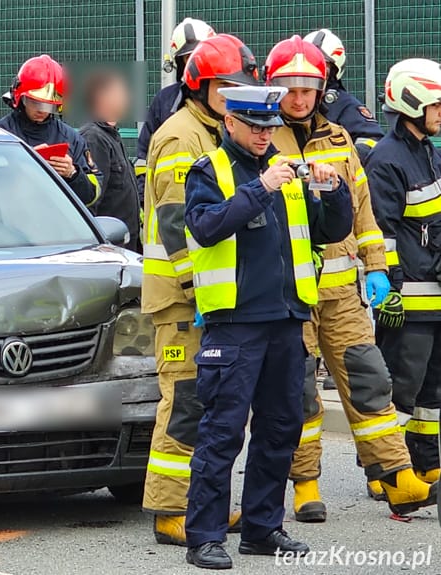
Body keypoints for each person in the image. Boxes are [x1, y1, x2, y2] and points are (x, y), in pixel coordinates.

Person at [266, 36, 439, 523]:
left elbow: (365, 215)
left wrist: (379, 269)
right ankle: (305, 484)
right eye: (289, 89)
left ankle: (396, 475)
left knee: (370, 381)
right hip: (289, 295)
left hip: (342, 293)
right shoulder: (260, 138)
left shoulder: (340, 140)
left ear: (323, 89)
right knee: (298, 393)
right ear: (272, 88)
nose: (299, 100)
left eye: (309, 90)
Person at [183, 84, 354, 569]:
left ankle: (261, 528)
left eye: (270, 127)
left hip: (285, 319)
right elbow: (205, 227)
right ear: (230, 123)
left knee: (281, 428)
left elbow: (329, 232)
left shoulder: (286, 171)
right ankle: (206, 537)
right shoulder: (210, 170)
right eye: (255, 127)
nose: (264, 136)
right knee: (222, 432)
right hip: (235, 323)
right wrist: (262, 187)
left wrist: (334, 189)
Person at [141, 34, 258, 547]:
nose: (233, 92)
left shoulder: (212, 131)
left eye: (239, 84)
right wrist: (198, 292)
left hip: (206, 295)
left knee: (204, 401)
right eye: (224, 85)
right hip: (182, 297)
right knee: (185, 399)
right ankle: (171, 511)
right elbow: (173, 225)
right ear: (201, 86)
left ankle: (191, 503)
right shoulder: (181, 137)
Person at [365, 58, 441, 492]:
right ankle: (386, 472)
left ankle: (425, 465)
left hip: (434, 298)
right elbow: (383, 231)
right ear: (414, 101)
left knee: (431, 395)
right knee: (398, 393)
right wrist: (388, 289)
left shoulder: (427, 152)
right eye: (437, 104)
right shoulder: (388, 160)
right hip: (407, 301)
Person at [0, 54, 101, 206]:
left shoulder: (71, 138)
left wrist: (72, 173)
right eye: (36, 103)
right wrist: (24, 164)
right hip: (13, 222)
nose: (42, 111)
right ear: (20, 98)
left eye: (49, 106)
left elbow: (92, 196)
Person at [135, 18, 216, 207]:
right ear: (180, 62)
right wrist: (143, 200)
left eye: (202, 55)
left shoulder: (224, 99)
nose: (197, 63)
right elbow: (143, 157)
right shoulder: (165, 100)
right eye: (190, 57)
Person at [80, 68, 141, 251]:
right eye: (120, 92)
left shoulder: (111, 136)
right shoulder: (94, 138)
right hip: (110, 251)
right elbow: (92, 198)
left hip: (126, 247)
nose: (127, 98)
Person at [304, 28, 385, 164]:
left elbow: (373, 141)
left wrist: (342, 161)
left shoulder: (344, 105)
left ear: (334, 70)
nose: (314, 71)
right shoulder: (289, 100)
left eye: (322, 66)